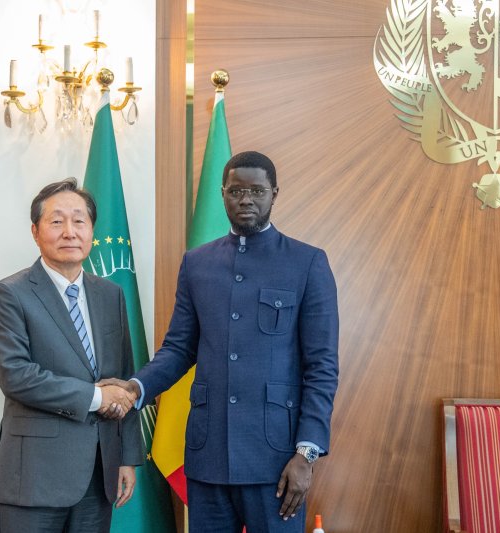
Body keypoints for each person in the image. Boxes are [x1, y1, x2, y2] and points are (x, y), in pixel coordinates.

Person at [108, 151, 339, 532]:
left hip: (277, 460)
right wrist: (135, 388)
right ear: (223, 194)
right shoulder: (197, 263)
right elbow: (179, 349)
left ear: (274, 193)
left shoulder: (307, 263)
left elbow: (322, 368)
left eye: (256, 191)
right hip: (208, 455)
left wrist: (307, 452)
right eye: (236, 191)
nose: (246, 199)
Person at [0, 178, 143, 533]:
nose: (69, 231)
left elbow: (124, 377)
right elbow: (17, 376)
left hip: (99, 473)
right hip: (34, 478)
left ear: (91, 231)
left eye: (79, 221)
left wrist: (127, 457)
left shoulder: (111, 294)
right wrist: (97, 397)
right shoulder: (9, 294)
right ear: (35, 232)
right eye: (57, 221)